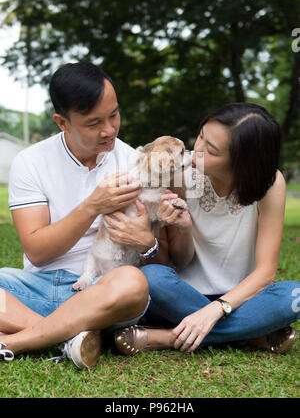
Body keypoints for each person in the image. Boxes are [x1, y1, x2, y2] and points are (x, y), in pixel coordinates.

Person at [0, 62, 166, 368]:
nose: (109, 130)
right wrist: (92, 206)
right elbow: (37, 252)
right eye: (93, 123)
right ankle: (71, 337)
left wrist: (147, 241)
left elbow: (164, 262)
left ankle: (17, 340)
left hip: (105, 293)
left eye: (114, 115)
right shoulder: (31, 162)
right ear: (62, 122)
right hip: (38, 288)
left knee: (134, 283)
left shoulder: (135, 162)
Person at [113, 102, 300, 355]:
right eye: (200, 136)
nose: (196, 150)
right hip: (181, 295)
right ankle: (250, 335)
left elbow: (266, 273)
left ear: (242, 163)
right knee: (151, 278)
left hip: (240, 300)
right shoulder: (181, 175)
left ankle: (168, 337)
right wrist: (184, 228)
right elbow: (179, 262)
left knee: (294, 296)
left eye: (210, 150)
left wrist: (215, 310)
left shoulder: (270, 185)